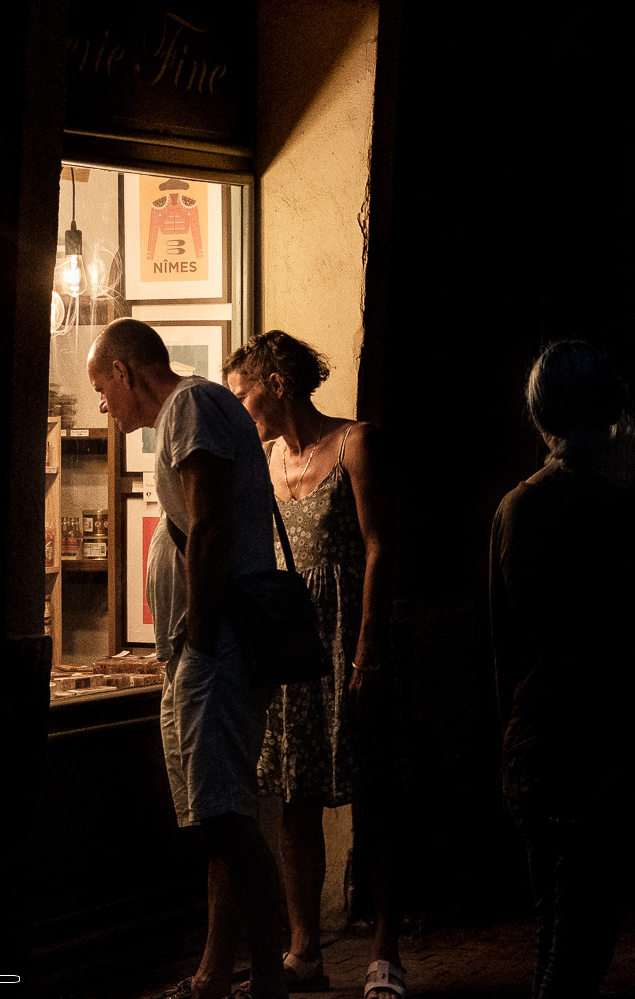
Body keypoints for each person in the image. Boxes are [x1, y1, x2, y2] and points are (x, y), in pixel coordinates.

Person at [87, 318, 286, 999]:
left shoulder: (191, 405)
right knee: (219, 816)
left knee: (226, 817)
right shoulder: (188, 410)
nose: (103, 405)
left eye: (102, 388)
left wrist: (198, 637)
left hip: (215, 646)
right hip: (203, 649)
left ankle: (268, 980)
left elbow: (210, 522)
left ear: (124, 371)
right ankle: (215, 974)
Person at [224, 330, 406, 999]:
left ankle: (385, 951)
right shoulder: (267, 458)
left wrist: (368, 652)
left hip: (349, 638)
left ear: (277, 384)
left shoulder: (356, 442)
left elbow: (380, 547)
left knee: (375, 793)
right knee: (294, 795)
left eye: (243, 393)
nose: (238, 407)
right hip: (294, 648)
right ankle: (304, 951)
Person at [489, 340, 635, 999]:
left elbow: (505, 645)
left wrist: (509, 744)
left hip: (535, 739)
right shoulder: (616, 512)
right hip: (594, 740)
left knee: (555, 928)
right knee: (581, 937)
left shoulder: (516, 507)